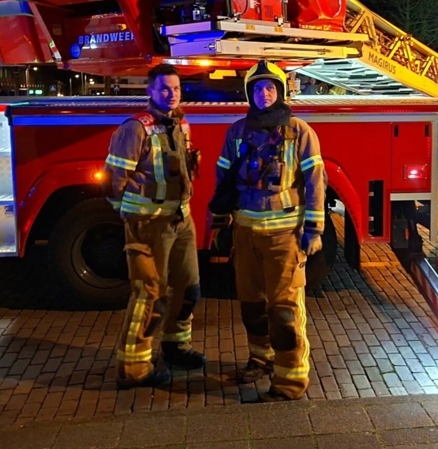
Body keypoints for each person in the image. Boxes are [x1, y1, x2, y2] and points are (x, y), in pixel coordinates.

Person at [212, 60, 326, 401]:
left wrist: (314, 230)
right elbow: (224, 180)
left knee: (285, 310)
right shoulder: (237, 132)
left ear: (280, 91)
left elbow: (316, 183)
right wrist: (220, 223)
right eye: (258, 89)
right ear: (249, 94)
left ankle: (290, 381)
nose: (264, 94)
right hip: (245, 235)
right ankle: (260, 360)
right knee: (251, 305)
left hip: (284, 237)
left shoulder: (300, 132)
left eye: (270, 88)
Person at [104, 63, 205, 388]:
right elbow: (114, 180)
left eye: (176, 89)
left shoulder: (181, 124)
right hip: (148, 224)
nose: (171, 94)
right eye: (164, 89)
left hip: (181, 220)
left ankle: (176, 346)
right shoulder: (135, 129)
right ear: (150, 91)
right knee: (150, 294)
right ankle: (134, 368)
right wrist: (131, 215)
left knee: (189, 290)